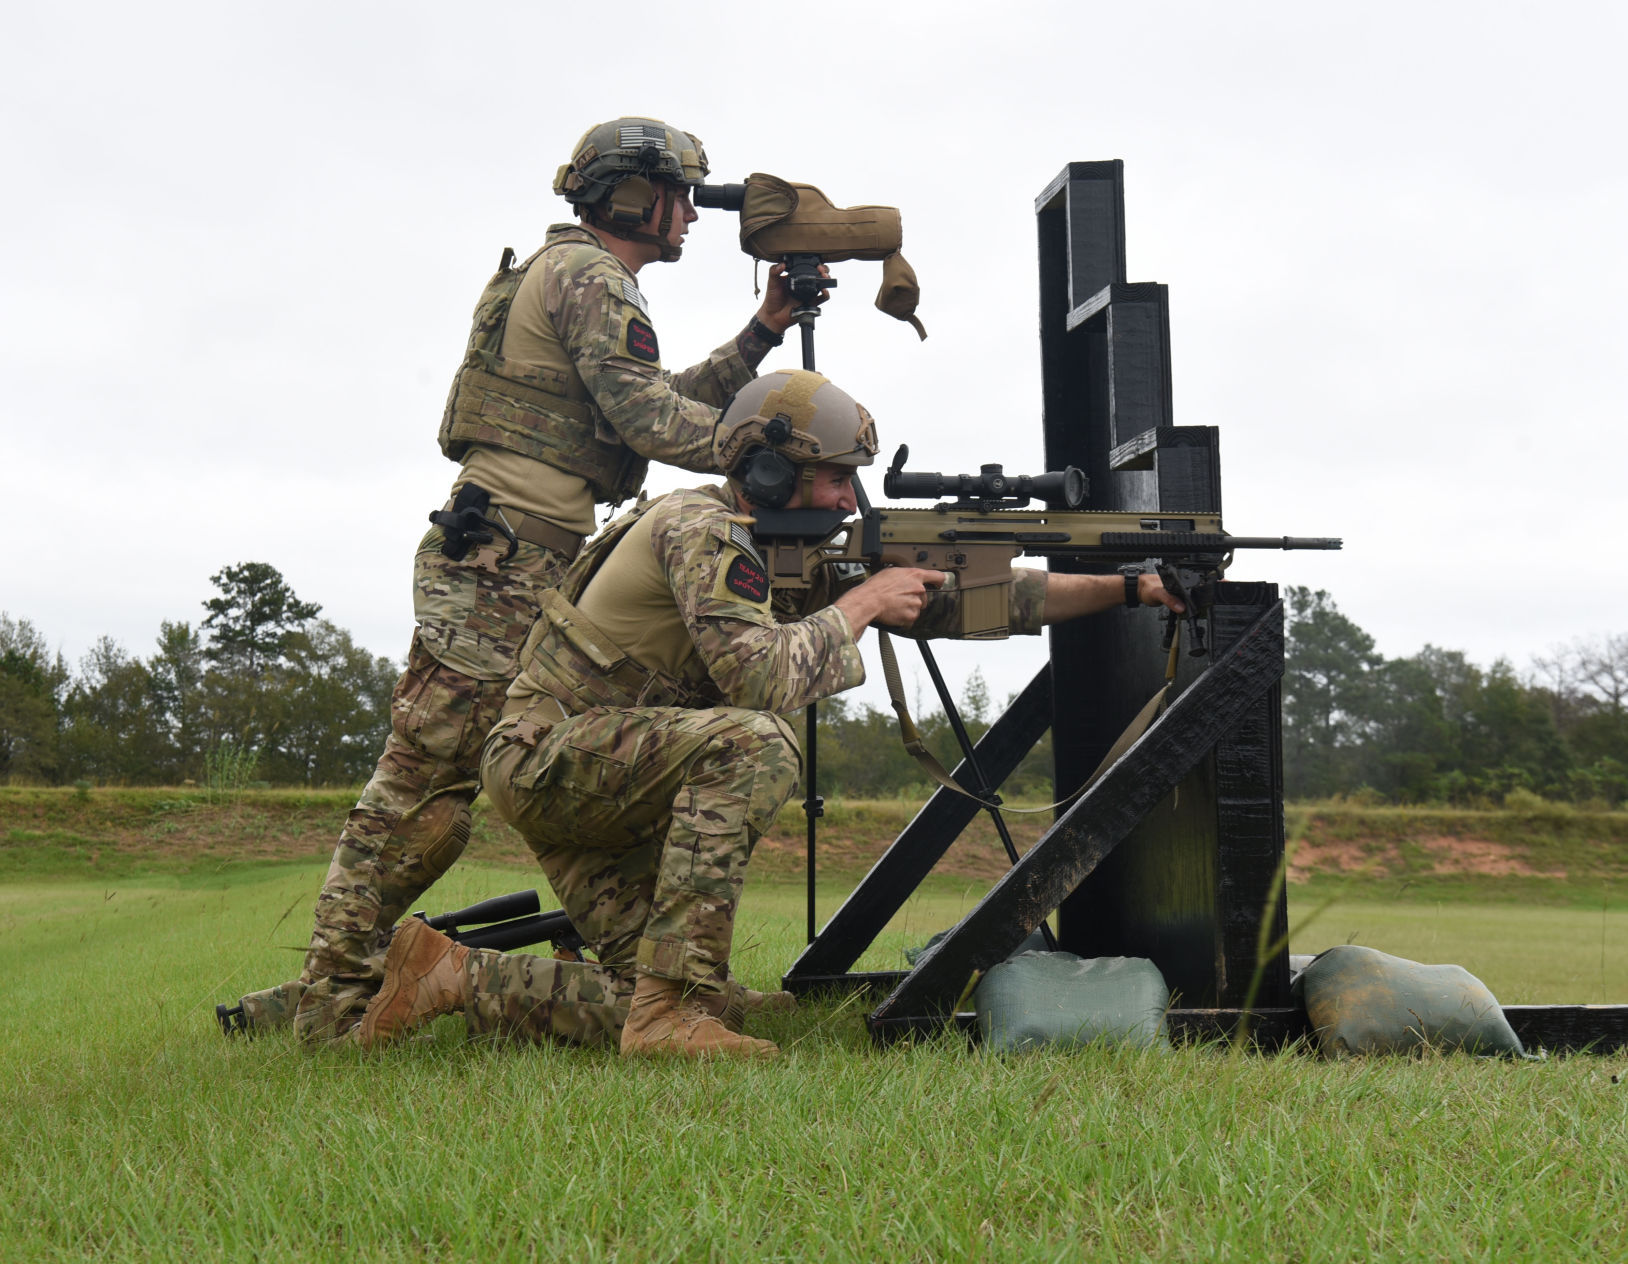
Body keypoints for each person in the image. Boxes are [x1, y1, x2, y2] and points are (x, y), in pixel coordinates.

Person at [355, 368, 1183, 1058]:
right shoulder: (703, 531)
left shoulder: (773, 550)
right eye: (833, 476)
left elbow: (991, 601)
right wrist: (860, 604)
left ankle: (453, 976)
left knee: (654, 997)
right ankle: (669, 1014)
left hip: (590, 769)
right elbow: (756, 678)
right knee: (755, 742)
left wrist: (1130, 588)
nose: (850, 498)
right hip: (554, 762)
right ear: (766, 473)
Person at [223, 116, 806, 1044]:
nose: (694, 213)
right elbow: (654, 422)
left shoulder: (575, 275)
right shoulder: (589, 276)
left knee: (561, 772)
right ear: (631, 196)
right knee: (419, 798)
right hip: (500, 569)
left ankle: (654, 988)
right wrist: (777, 447)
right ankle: (331, 1002)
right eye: (681, 193)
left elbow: (647, 406)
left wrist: (761, 335)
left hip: (523, 563)